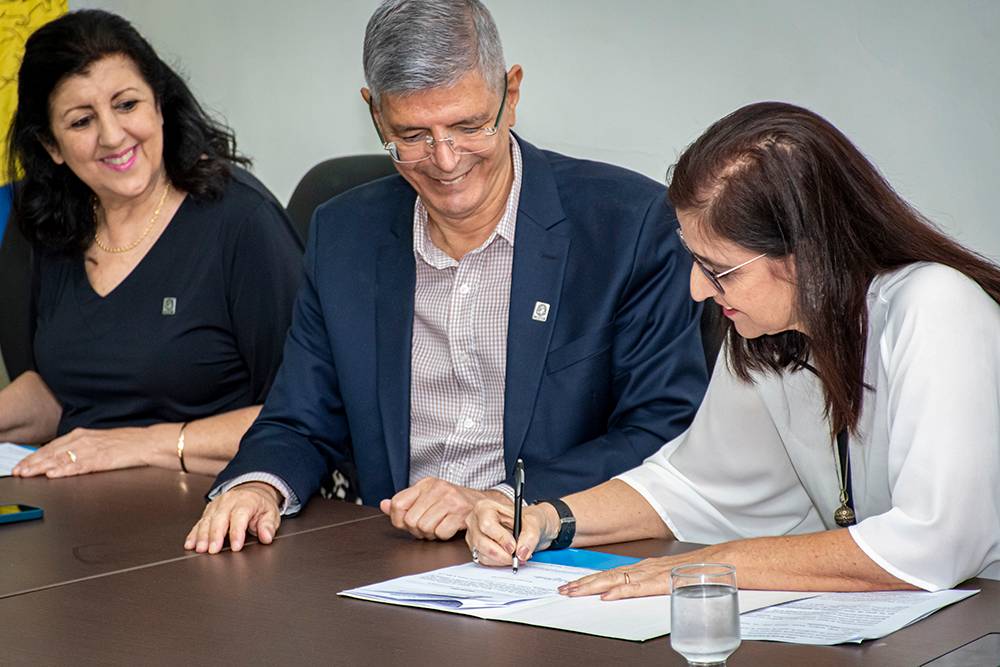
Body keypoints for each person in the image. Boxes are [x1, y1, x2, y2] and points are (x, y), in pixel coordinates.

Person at [185, 0, 707, 554]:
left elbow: (661, 432)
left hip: (555, 555)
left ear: (511, 94)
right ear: (375, 114)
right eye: (412, 135)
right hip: (389, 558)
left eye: (468, 126)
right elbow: (298, 418)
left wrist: (499, 500)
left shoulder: (626, 225)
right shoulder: (344, 234)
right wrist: (259, 484)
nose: (446, 160)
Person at [466, 101, 1000, 596]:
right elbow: (695, 488)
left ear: (804, 253)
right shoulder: (771, 334)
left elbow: (935, 544)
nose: (698, 289)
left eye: (718, 270)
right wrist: (542, 519)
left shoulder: (936, 305)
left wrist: (709, 566)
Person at [2, 10, 303, 478]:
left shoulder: (242, 221)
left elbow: (305, 415)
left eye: (126, 105)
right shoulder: (52, 224)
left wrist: (141, 444)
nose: (112, 135)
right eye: (82, 121)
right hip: (79, 514)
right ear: (51, 146)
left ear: (159, 104)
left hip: (218, 512)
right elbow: (68, 393)